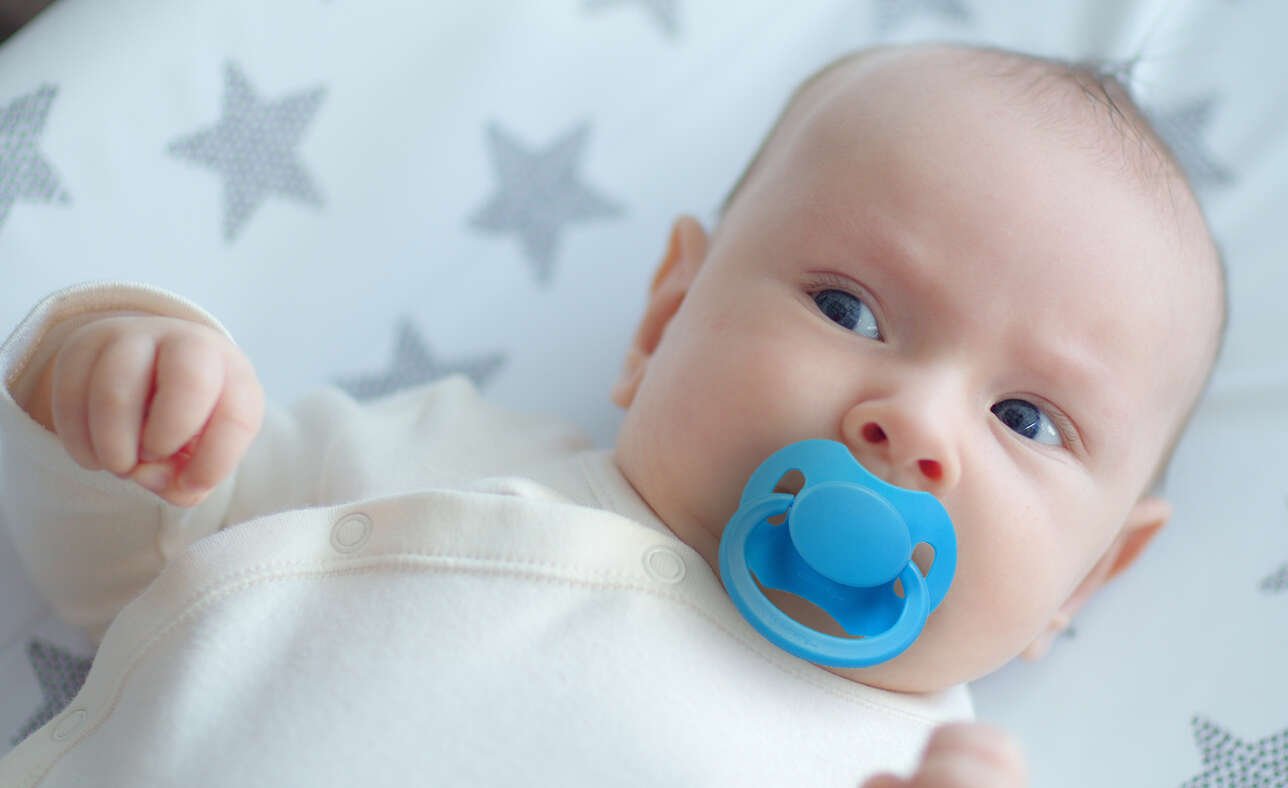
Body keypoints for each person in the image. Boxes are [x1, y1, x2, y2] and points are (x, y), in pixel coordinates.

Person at [0, 42, 1224, 787]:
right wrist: (120, 387)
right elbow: (115, 571)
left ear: (1089, 575)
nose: (911, 423)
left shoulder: (912, 766)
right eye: (849, 310)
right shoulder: (449, 460)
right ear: (662, 321)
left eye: (1026, 416)